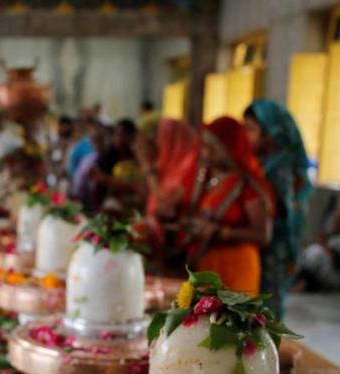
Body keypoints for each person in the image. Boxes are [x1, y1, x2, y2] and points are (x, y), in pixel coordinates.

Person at [174, 116, 274, 295]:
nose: (206, 153)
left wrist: (220, 232)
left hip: (237, 267)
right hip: (207, 264)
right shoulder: (208, 180)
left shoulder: (246, 185)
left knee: (229, 321)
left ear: (229, 149)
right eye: (204, 146)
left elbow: (263, 235)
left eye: (213, 147)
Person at [244, 100, 313, 317]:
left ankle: (269, 348)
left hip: (276, 245)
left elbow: (284, 210)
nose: (246, 136)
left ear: (270, 131)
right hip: (261, 241)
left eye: (251, 129)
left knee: (268, 304)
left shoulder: (280, 166)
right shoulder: (261, 161)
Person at [134, 116, 199, 268]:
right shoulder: (166, 167)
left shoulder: (189, 169)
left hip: (176, 252)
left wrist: (148, 168)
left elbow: (165, 209)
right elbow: (144, 198)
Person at [294, 208, 340, 292]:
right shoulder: (336, 235)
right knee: (311, 249)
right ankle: (298, 281)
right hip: (326, 272)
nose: (336, 223)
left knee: (316, 251)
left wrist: (324, 246)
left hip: (338, 276)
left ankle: (300, 282)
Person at [89, 118, 142, 210]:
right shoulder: (106, 157)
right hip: (110, 203)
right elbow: (98, 184)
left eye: (123, 134)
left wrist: (106, 179)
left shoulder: (137, 156)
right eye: (116, 134)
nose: (119, 138)